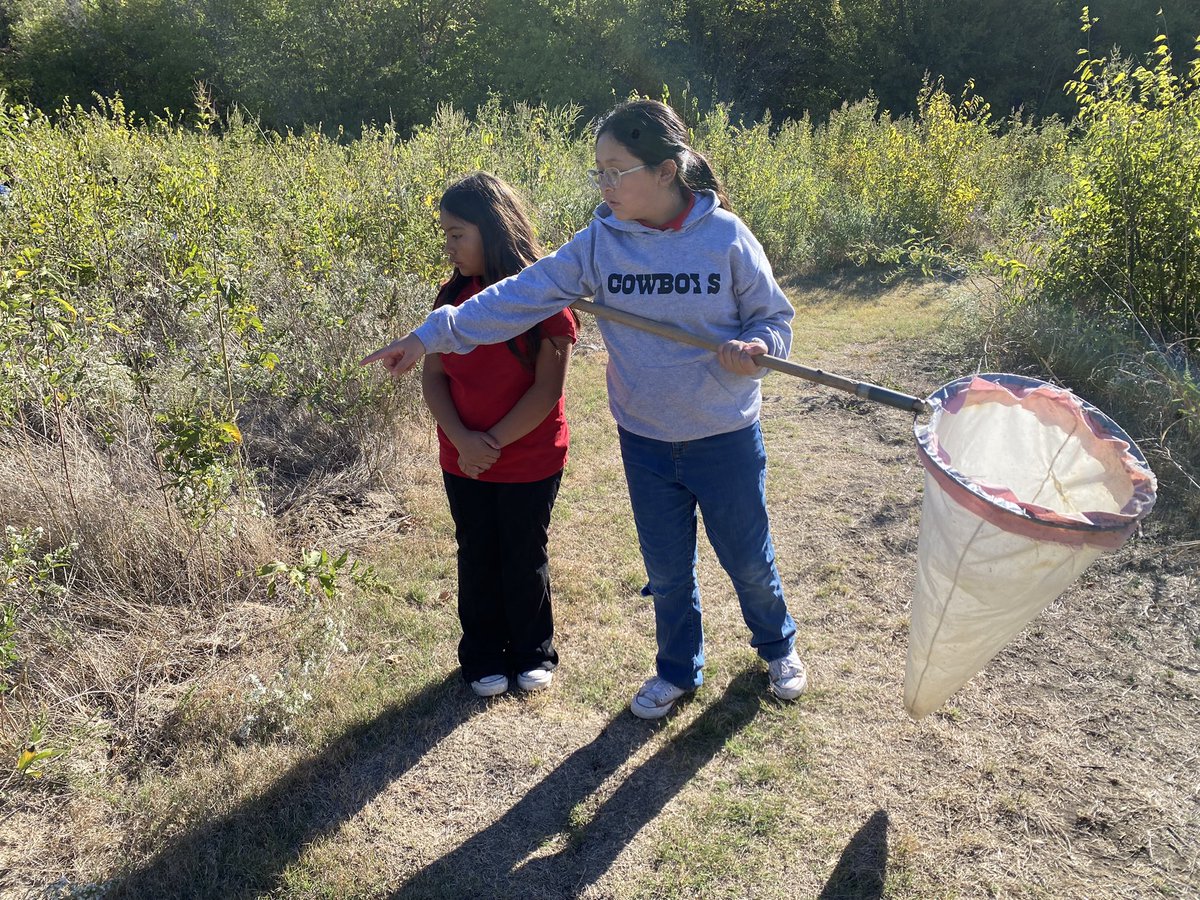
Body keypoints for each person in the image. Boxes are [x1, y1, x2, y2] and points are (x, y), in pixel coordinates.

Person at [364, 100, 807, 719]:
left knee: (748, 560)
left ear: (666, 170)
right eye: (598, 171)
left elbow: (773, 318)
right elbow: (518, 296)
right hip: (645, 439)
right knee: (667, 570)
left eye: (616, 171)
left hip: (723, 434)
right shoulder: (601, 243)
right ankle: (678, 670)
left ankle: (778, 647)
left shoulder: (726, 238)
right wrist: (431, 334)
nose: (604, 184)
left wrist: (759, 348)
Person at [421, 172, 577, 698]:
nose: (449, 246)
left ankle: (533, 652)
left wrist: (489, 444)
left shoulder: (545, 299)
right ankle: (484, 655)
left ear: (492, 229)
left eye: (457, 234)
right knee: (477, 552)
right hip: (462, 458)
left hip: (529, 458)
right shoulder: (450, 298)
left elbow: (546, 390)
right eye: (445, 234)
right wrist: (464, 441)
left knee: (522, 552)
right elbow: (434, 377)